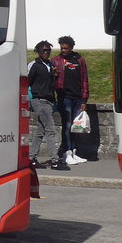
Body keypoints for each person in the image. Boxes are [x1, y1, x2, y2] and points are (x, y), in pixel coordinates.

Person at [51, 35, 89, 166]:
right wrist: (54, 75)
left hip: (78, 97)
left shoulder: (80, 60)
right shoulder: (56, 60)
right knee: (67, 125)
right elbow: (51, 80)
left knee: (76, 127)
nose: (63, 50)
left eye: (66, 48)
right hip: (64, 97)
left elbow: (84, 80)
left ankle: (74, 152)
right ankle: (66, 153)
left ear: (71, 47)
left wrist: (84, 100)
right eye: (61, 48)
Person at [26, 41, 64, 170]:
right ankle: (54, 160)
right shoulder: (34, 65)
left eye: (48, 50)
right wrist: (30, 99)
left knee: (40, 131)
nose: (46, 53)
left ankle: (31, 158)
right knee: (50, 130)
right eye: (43, 50)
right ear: (38, 51)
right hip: (39, 100)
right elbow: (27, 82)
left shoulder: (49, 65)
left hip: (48, 101)